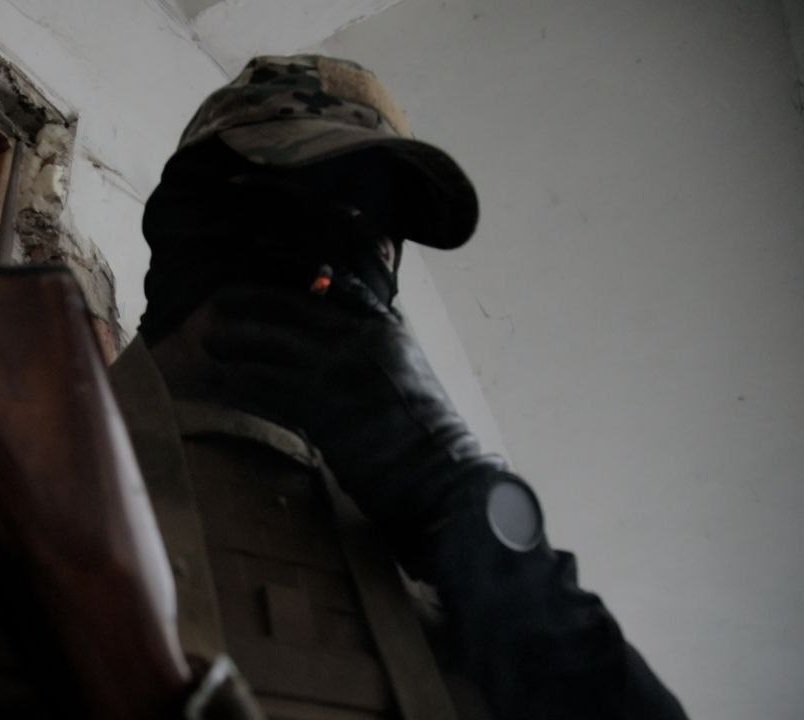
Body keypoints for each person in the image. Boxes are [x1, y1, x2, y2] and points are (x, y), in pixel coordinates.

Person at [107, 54, 689, 719]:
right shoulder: (48, 454)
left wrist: (457, 493)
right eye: (306, 197)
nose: (349, 253)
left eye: (378, 225)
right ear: (192, 222)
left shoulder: (425, 545)